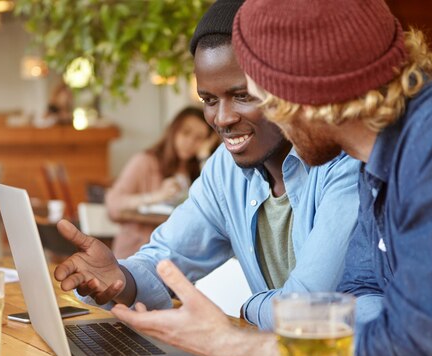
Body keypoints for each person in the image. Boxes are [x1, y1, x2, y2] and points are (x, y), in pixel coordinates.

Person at [110, 0, 432, 356]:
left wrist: (230, 344)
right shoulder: (379, 163)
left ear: (309, 90)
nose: (256, 116)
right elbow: (356, 306)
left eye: (260, 94)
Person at [54, 0, 361, 330]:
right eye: (209, 100)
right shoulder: (224, 171)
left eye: (242, 95)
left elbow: (304, 310)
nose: (223, 119)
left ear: (285, 85)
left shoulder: (344, 161)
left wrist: (248, 307)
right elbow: (166, 258)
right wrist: (119, 277)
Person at [105, 106, 211, 258]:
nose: (190, 142)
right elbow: (113, 204)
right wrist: (156, 196)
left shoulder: (198, 172)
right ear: (173, 131)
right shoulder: (145, 162)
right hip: (139, 254)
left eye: (199, 138)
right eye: (185, 133)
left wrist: (204, 157)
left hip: (180, 257)